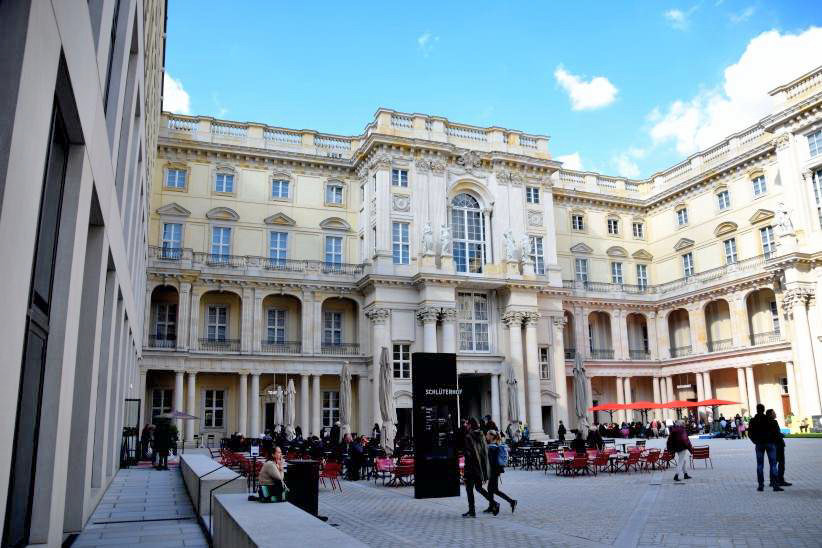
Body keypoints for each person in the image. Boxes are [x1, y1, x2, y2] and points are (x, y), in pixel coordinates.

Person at [462, 417, 497, 517]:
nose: (465, 425)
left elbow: (469, 454)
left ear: (470, 425)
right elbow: (484, 452)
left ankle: (472, 511)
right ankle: (494, 503)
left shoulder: (469, 436)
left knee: (469, 489)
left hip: (471, 467)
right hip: (479, 467)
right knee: (478, 488)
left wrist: (466, 469)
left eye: (467, 424)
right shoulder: (481, 435)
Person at [748, 404, 783, 492]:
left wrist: (754, 441)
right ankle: (775, 485)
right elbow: (776, 432)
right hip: (770, 443)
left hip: (759, 444)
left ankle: (761, 485)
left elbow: (750, 433)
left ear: (757, 410)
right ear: (763, 410)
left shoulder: (753, 420)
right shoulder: (770, 419)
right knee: (773, 464)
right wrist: (774, 441)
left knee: (760, 465)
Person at [484, 430, 516, 514]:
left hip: (494, 471)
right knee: (494, 490)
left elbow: (492, 462)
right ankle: (511, 502)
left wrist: (489, 471)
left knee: (491, 489)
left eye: (487, 434)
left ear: (491, 436)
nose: (486, 436)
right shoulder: (496, 445)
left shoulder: (492, 447)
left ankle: (494, 506)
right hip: (496, 471)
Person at [766, 409, 791, 487]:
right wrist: (782, 435)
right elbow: (776, 434)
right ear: (770, 414)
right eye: (774, 413)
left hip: (770, 445)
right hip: (778, 445)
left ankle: (772, 481)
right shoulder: (773, 422)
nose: (775, 414)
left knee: (773, 464)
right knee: (781, 463)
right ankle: (780, 480)